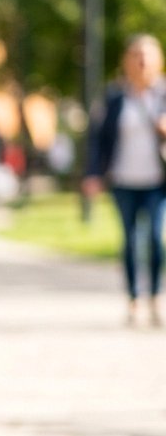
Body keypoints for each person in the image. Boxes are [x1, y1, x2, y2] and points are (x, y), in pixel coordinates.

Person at [82, 34, 166, 326]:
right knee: (130, 240)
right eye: (136, 55)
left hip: (157, 180)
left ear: (159, 60)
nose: (142, 61)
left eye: (147, 55)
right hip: (123, 179)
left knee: (156, 238)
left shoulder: (164, 95)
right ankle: (133, 299)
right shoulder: (116, 97)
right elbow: (98, 139)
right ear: (127, 61)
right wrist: (92, 173)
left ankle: (155, 297)